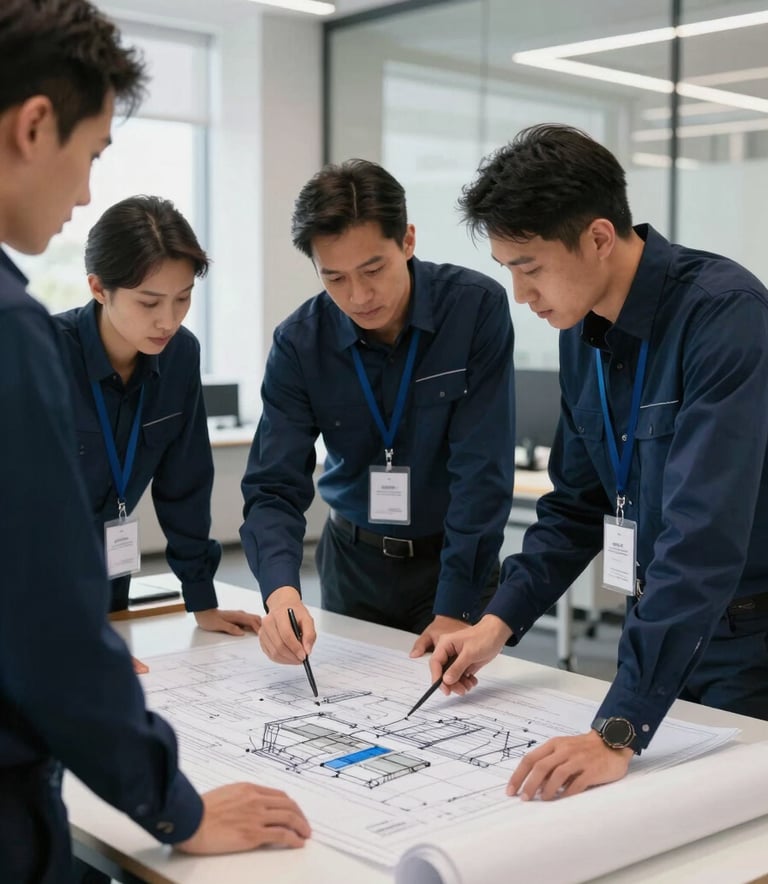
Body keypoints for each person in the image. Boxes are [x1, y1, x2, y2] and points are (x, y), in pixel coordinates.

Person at [0, 3, 309, 881]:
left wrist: (197, 593)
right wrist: (175, 806)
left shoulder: (167, 361)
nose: (85, 190)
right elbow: (41, 616)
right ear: (34, 125)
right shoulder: (21, 334)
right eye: (92, 155)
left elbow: (182, 487)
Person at [429, 123, 768, 801]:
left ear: (599, 237)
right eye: (508, 271)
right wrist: (496, 621)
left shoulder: (726, 318)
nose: (521, 297)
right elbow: (577, 504)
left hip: (747, 646)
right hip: (652, 629)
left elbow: (700, 541)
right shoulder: (579, 331)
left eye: (529, 267)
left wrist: (619, 728)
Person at [240, 159, 515, 668]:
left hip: (454, 562)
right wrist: (280, 593)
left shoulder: (474, 309)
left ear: (407, 241)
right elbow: (274, 485)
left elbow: (482, 470)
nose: (359, 296)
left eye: (373, 270)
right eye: (335, 278)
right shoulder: (300, 343)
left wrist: (455, 606)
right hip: (353, 564)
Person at [54, 195, 262, 673]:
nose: (168, 320)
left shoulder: (179, 355)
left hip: (110, 579)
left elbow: (184, 482)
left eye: (183, 298)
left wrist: (201, 600)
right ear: (99, 288)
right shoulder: (44, 354)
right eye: (149, 302)